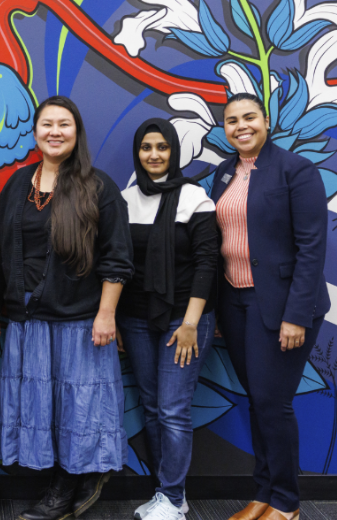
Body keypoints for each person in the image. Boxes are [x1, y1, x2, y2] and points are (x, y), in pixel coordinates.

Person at [0, 96, 134, 520]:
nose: (54, 131)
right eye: (47, 124)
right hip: (26, 319)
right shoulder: (17, 184)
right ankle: (62, 481)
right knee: (41, 406)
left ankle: (66, 486)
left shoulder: (99, 187)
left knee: (76, 408)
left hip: (79, 321)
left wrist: (106, 314)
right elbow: (1, 248)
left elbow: (117, 258)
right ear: (35, 132)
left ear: (76, 132)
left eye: (64, 124)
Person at [209, 94, 329, 520]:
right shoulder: (224, 173)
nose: (241, 126)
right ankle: (263, 494)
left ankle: (286, 503)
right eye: (231, 120)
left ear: (266, 120)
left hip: (282, 307)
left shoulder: (296, 170)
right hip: (236, 302)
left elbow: (312, 248)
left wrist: (295, 315)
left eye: (249, 117)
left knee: (272, 402)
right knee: (258, 401)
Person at [117, 119, 218, 520]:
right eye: (146, 147)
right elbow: (119, 265)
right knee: (153, 407)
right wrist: (120, 319)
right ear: (138, 153)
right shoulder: (124, 200)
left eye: (162, 147)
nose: (154, 155)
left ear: (173, 152)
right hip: (137, 320)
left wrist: (191, 322)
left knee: (174, 408)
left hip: (185, 319)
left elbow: (207, 263)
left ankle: (173, 498)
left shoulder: (195, 199)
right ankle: (167, 492)